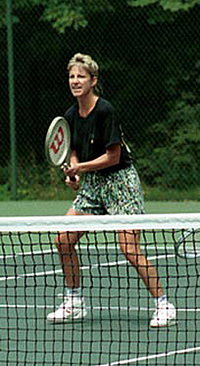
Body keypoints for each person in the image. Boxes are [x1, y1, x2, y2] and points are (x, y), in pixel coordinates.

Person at [47, 53, 176, 327]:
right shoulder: (70, 115)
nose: (75, 81)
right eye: (71, 76)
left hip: (121, 184)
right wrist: (72, 170)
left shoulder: (105, 111)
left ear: (93, 80)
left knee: (129, 248)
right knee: (63, 239)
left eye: (81, 76)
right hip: (93, 187)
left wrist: (80, 168)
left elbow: (113, 156)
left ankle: (164, 304)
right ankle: (74, 301)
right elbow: (71, 149)